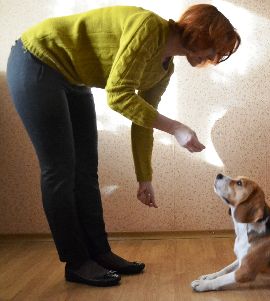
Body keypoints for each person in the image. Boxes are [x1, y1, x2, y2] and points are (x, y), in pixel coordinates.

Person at [6, 4, 240, 287]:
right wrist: (176, 127)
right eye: (214, 48)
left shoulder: (164, 70)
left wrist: (145, 178)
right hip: (37, 59)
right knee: (59, 171)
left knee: (86, 171)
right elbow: (118, 95)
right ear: (199, 33)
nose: (213, 58)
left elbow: (143, 118)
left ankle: (99, 253)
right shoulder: (149, 28)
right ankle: (77, 262)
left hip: (74, 77)